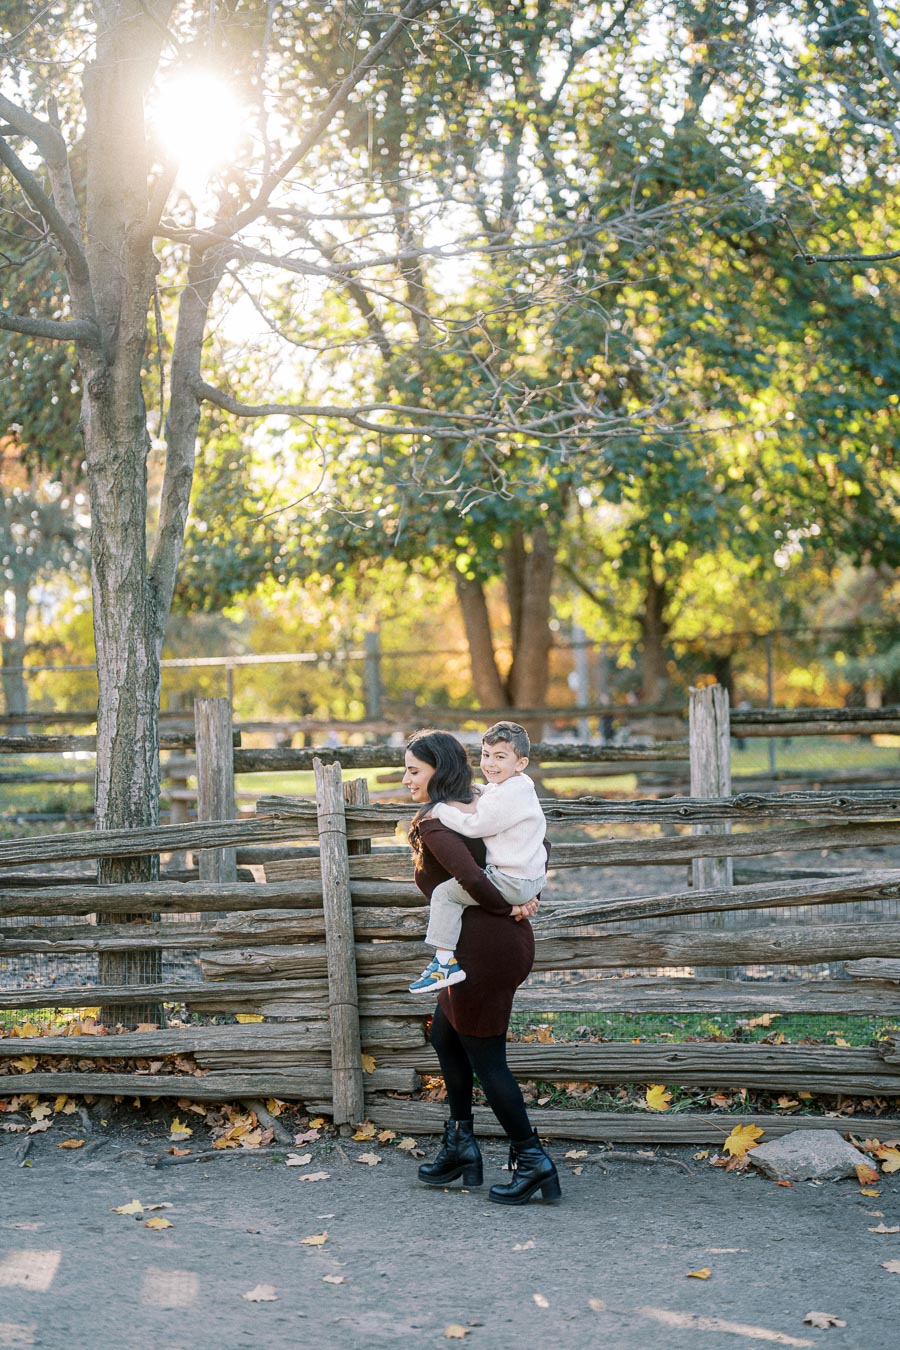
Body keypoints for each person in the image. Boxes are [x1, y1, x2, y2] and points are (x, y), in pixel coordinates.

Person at [402, 729, 560, 1207]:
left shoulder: (439, 820)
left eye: (413, 770)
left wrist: (509, 905)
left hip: (484, 952)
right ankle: (460, 1146)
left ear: (438, 771)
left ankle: (533, 1161)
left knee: (487, 1058)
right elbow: (541, 845)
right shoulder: (480, 805)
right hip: (489, 944)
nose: (405, 778)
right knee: (445, 1036)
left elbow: (470, 878)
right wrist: (527, 896)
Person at [408, 721, 548, 995]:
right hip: (530, 879)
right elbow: (544, 843)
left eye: (499, 757)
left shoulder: (438, 819)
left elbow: (474, 830)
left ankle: (443, 962)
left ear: (521, 763)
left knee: (445, 895)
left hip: (508, 887)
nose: (489, 764)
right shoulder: (518, 786)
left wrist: (440, 810)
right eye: (485, 755)